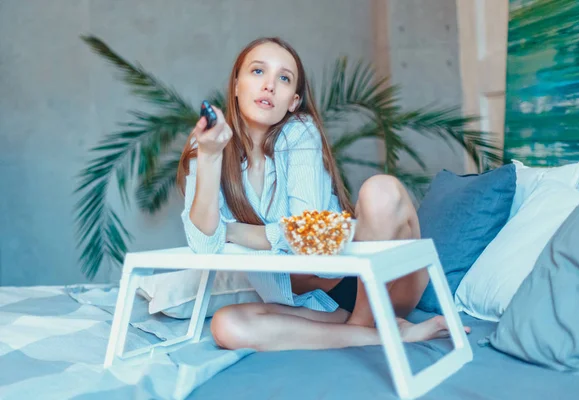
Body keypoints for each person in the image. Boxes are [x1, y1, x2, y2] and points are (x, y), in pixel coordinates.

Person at [177, 37, 468, 352]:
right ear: (235, 85)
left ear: (293, 100)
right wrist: (209, 157)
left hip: (371, 282)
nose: (269, 85)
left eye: (284, 78)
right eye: (258, 72)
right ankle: (382, 334)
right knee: (226, 326)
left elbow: (308, 241)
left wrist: (234, 231)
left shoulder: (300, 132)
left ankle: (363, 326)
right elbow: (204, 244)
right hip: (309, 303)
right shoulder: (207, 147)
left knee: (381, 190)